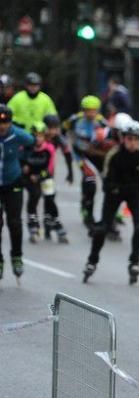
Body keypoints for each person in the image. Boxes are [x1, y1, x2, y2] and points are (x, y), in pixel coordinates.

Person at [83, 119, 139, 284]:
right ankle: (92, 261)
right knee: (102, 229)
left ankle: (134, 262)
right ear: (123, 138)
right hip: (115, 193)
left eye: (136, 139)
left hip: (135, 194)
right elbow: (106, 180)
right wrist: (114, 189)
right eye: (129, 139)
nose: (132, 143)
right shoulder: (114, 154)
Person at [0, 106, 35, 282]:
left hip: (13, 182)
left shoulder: (18, 135)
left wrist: (25, 161)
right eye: (0, 122)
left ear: (11, 122)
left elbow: (32, 143)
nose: (2, 126)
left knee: (14, 222)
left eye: (5, 122)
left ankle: (17, 256)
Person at [65, 95, 111, 231]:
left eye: (94, 110)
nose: (91, 114)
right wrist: (67, 146)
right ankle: (87, 210)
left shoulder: (102, 122)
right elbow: (61, 131)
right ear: (83, 110)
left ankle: (112, 214)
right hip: (81, 155)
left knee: (109, 182)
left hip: (97, 155)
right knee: (90, 181)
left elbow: (111, 137)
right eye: (88, 110)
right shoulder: (75, 119)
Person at [40, 114, 73, 242]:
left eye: (55, 128)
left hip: (48, 173)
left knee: (50, 197)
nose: (52, 131)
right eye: (50, 128)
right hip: (34, 173)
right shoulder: (38, 136)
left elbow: (68, 154)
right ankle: (46, 222)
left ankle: (51, 223)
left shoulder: (58, 138)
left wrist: (70, 173)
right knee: (37, 197)